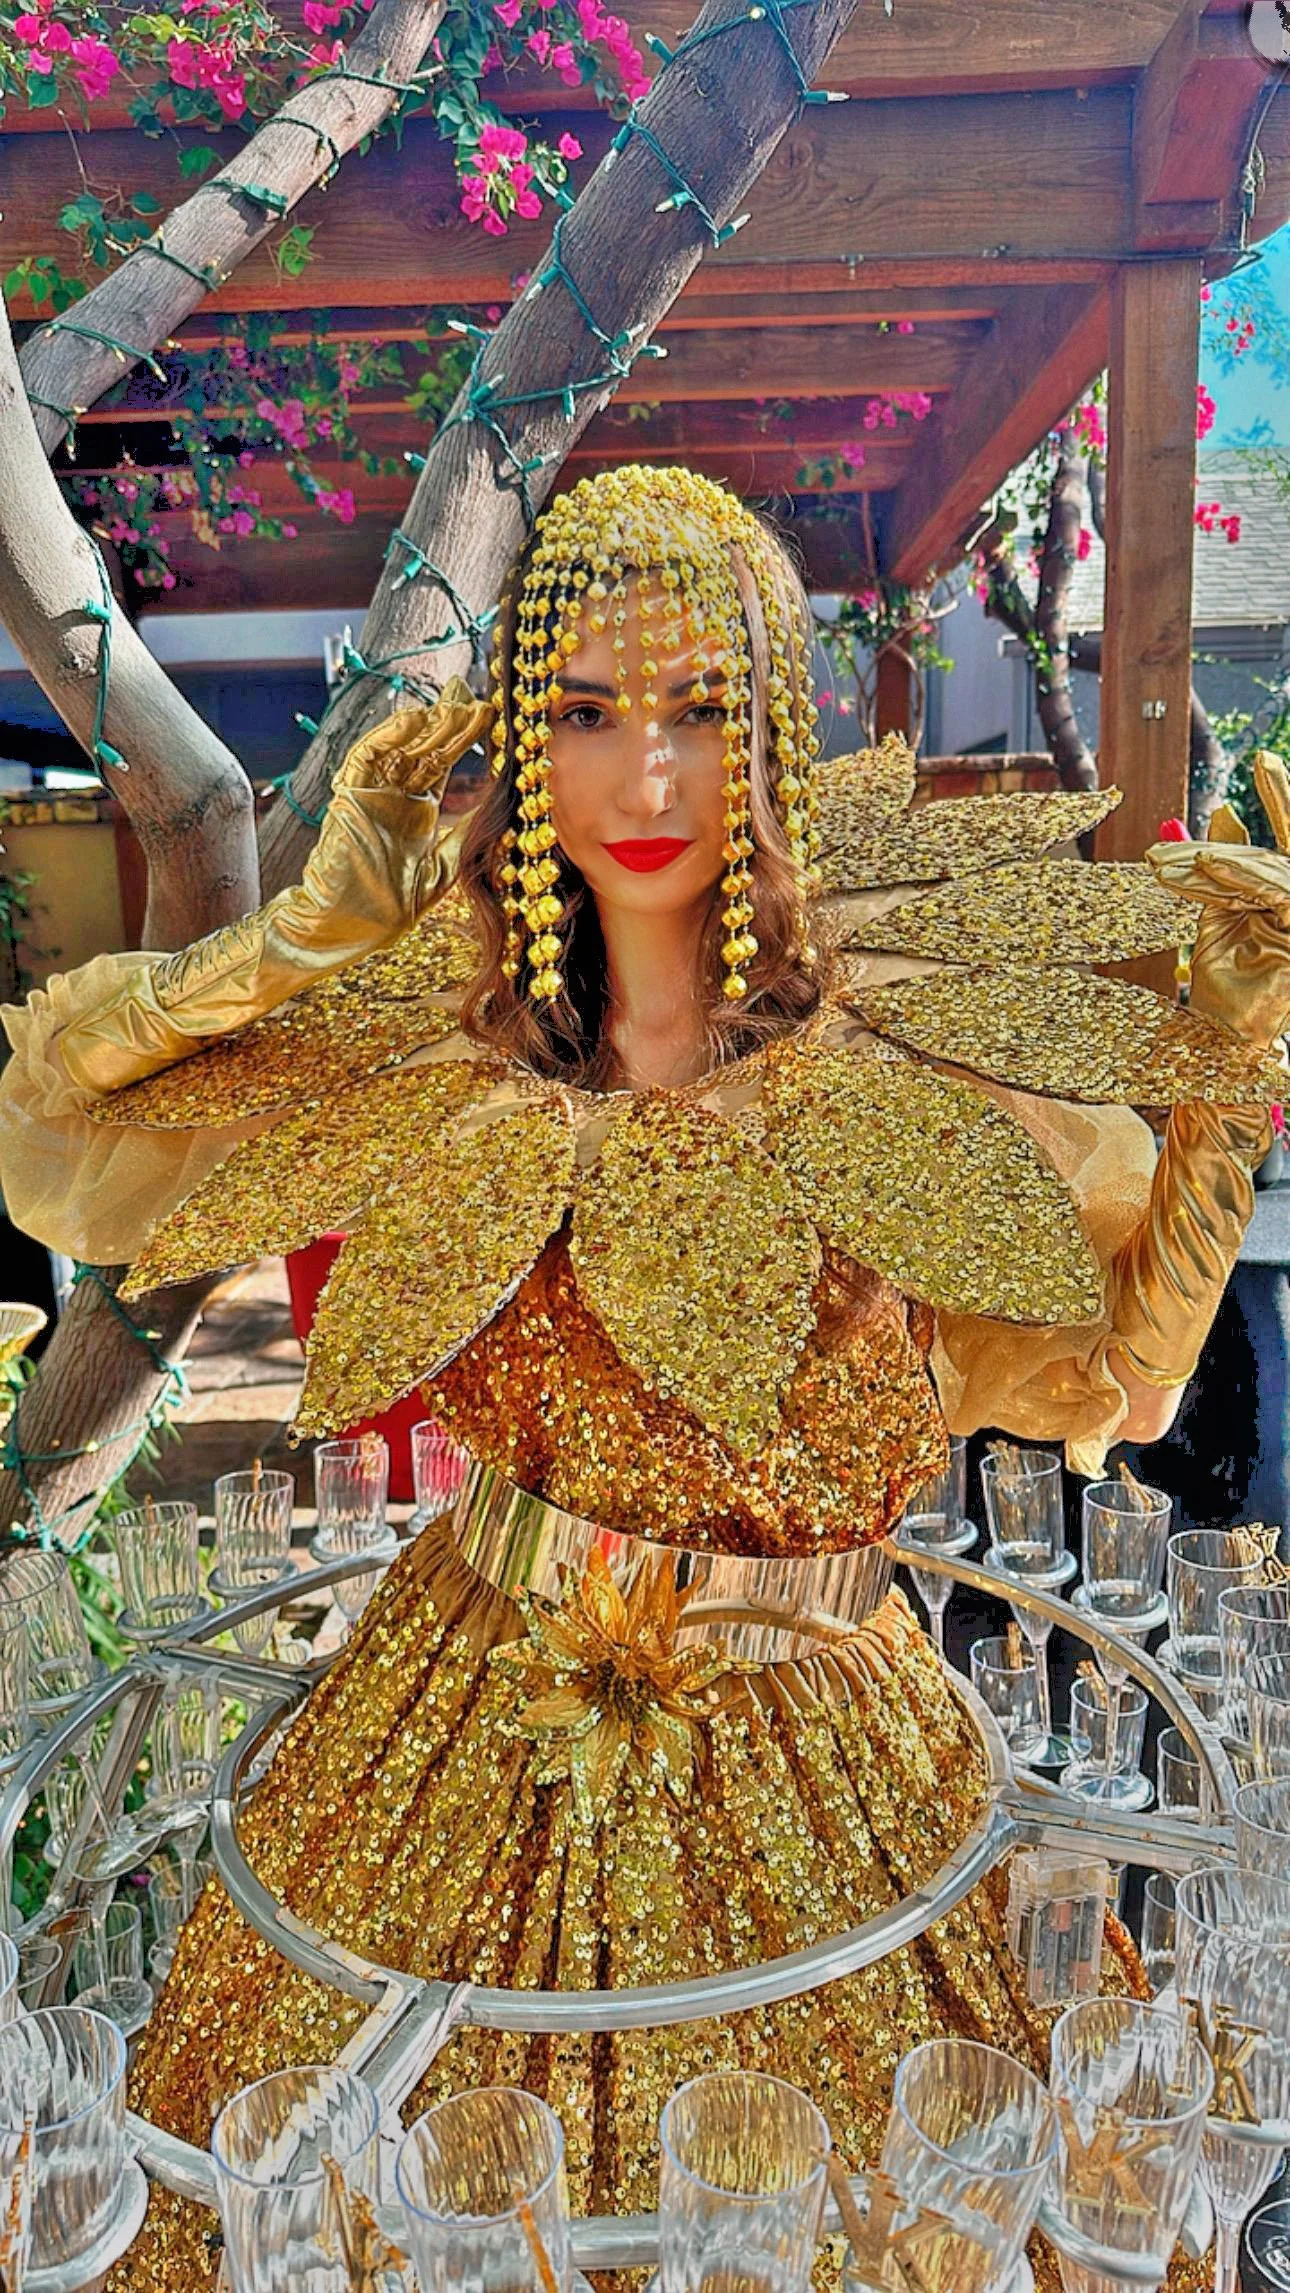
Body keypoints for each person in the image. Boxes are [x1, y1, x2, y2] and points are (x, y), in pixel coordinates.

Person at [1, 466, 1285, 2288]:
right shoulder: (434, 1032)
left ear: (770, 732)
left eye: (699, 710)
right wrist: (305, 936)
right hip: (455, 1730)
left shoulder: (911, 1048)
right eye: (588, 715)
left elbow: (1122, 1390)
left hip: (829, 1740)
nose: (650, 779)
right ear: (525, 747)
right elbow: (56, 1128)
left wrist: (1228, 1075)